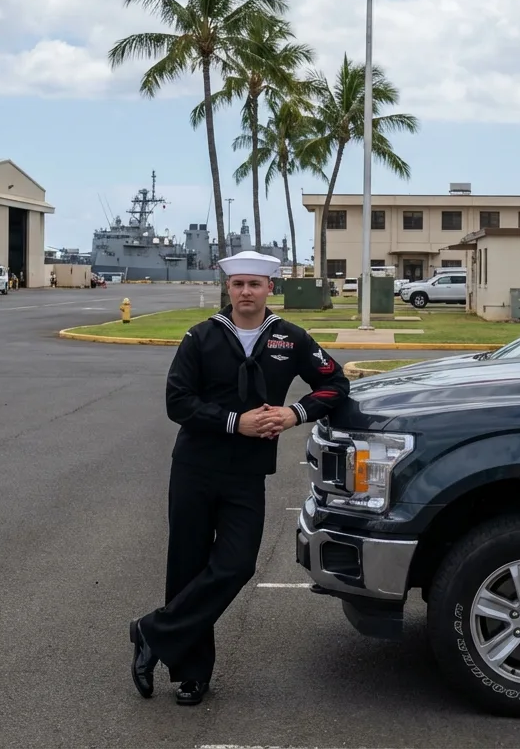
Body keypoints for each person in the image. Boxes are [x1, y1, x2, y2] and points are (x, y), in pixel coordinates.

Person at [129, 250, 350, 705]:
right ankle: (191, 673)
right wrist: (236, 421)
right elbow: (178, 401)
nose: (246, 292)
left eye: (254, 284)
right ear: (228, 289)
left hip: (247, 474)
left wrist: (295, 412)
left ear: (271, 288)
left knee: (236, 564)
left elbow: (335, 385)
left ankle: (152, 632)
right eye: (238, 285)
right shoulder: (202, 337)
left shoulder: (290, 338)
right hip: (195, 468)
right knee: (188, 567)